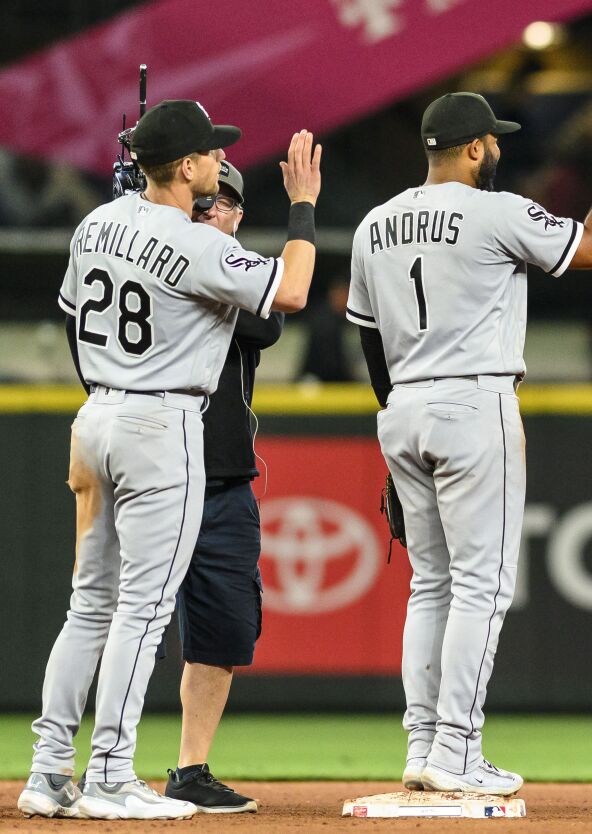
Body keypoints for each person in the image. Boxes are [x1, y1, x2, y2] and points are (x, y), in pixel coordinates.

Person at [17, 100, 321, 820]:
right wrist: (303, 206)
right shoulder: (197, 243)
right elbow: (296, 290)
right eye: (211, 154)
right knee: (143, 611)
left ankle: (47, 769)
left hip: (95, 418)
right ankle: (111, 776)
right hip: (161, 422)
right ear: (185, 167)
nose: (220, 162)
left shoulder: (97, 222)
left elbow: (71, 310)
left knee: (89, 604)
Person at [346, 88, 592, 795]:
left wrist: (400, 421)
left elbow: (368, 339)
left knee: (431, 585)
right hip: (472, 398)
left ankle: (423, 746)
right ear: (476, 147)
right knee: (482, 586)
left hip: (403, 407)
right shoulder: (496, 210)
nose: (500, 151)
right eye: (495, 141)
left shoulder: (373, 225)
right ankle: (455, 749)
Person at [157, 161, 283, 814]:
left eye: (228, 206)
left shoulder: (232, 269)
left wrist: (217, 249)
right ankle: (88, 766)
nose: (216, 213)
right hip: (154, 471)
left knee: (223, 632)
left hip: (223, 477)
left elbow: (268, 323)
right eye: (207, 202)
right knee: (118, 619)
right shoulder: (150, 258)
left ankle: (190, 768)